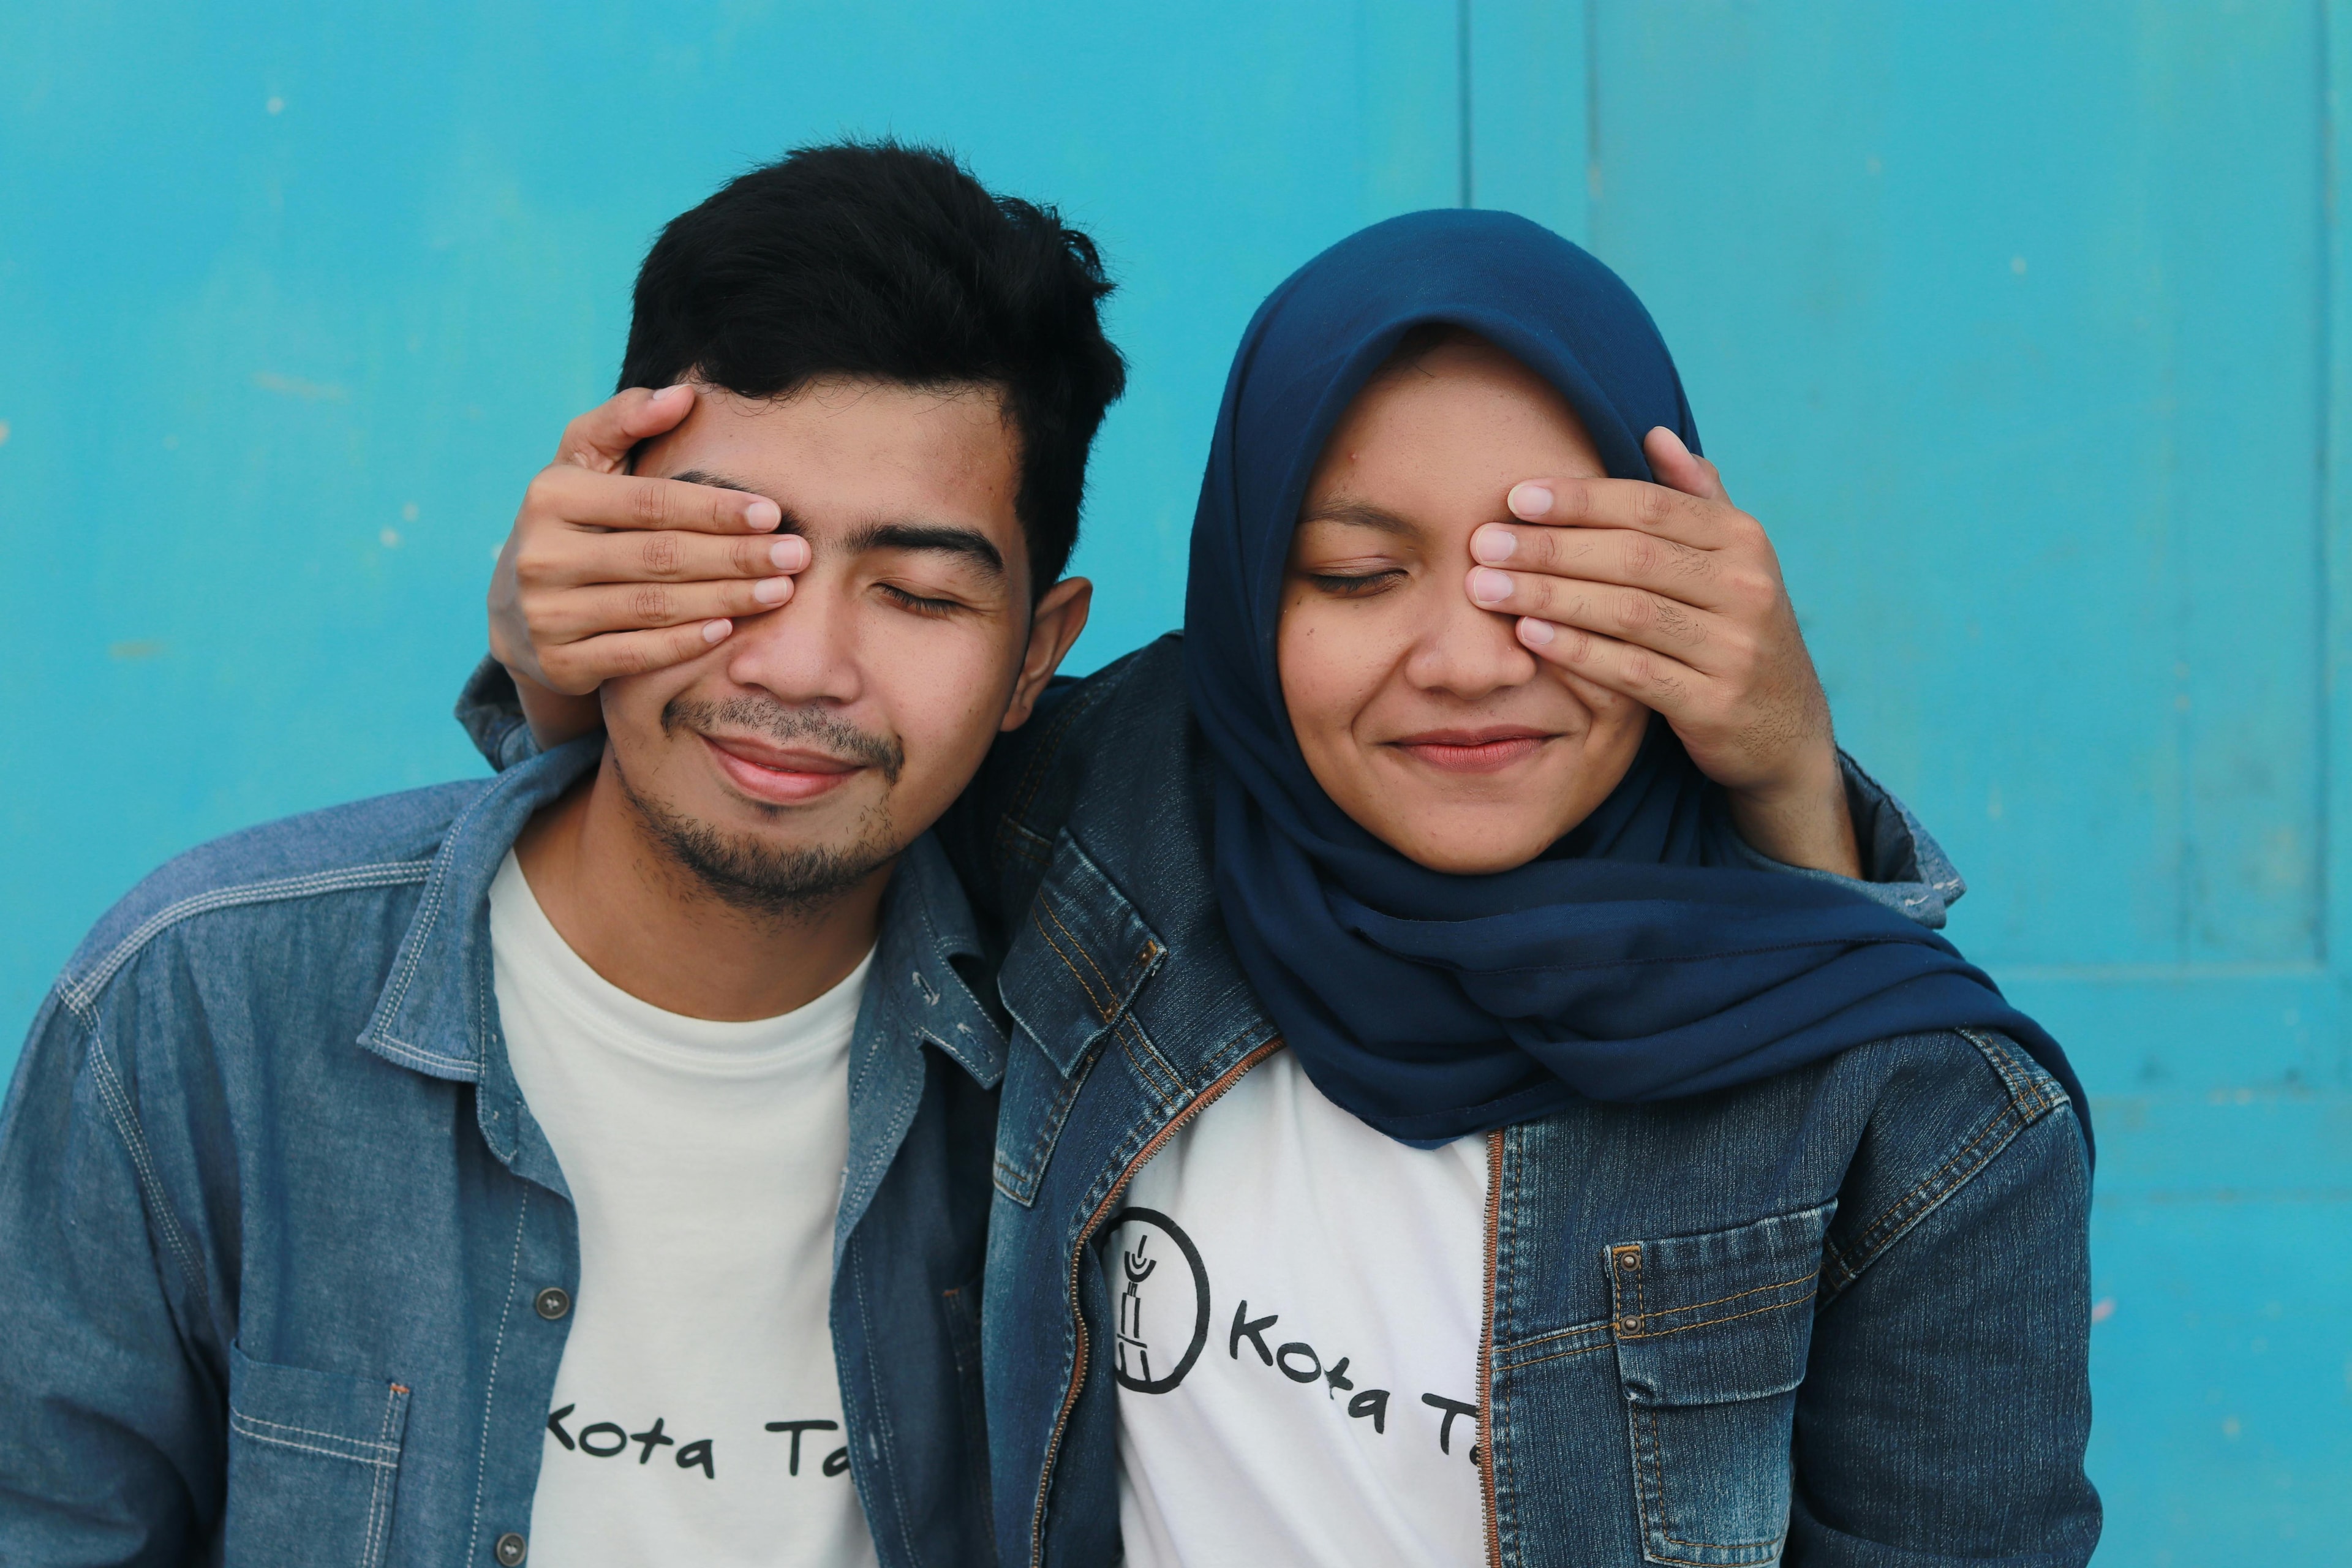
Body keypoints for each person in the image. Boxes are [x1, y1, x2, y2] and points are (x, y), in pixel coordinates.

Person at [469, 214, 2087, 1561]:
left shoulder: (1937, 1124)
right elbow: (800, 779)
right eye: (1357, 575)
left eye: (1559, 580)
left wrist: (1785, 771)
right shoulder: (1135, 826)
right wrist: (567, 662)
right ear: (1251, 597)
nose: (1462, 661)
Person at [0, 141, 1120, 1567]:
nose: (804, 662)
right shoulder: (201, 1007)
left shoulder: (1091, 1062)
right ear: (586, 533)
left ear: (1036, 655)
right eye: (732, 558)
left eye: (914, 592)